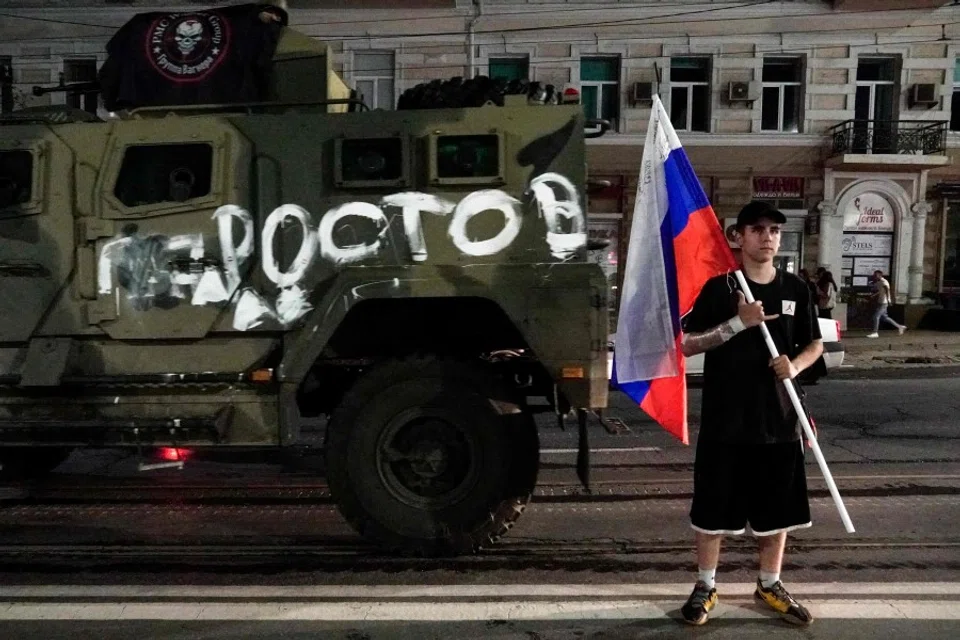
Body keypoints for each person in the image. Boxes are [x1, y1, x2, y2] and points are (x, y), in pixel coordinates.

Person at [678, 200, 823, 627]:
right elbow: (687, 343)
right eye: (757, 229)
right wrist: (737, 324)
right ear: (737, 236)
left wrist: (794, 365)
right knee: (712, 510)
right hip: (726, 420)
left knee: (778, 511)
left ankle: (770, 583)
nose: (767, 238)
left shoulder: (797, 289)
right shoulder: (720, 287)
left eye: (774, 230)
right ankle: (705, 585)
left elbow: (815, 343)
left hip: (779, 422)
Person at [866, 270, 906, 338]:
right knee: (885, 318)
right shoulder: (878, 282)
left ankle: (875, 332)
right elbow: (881, 291)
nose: (874, 276)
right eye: (874, 275)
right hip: (880, 302)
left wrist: (889, 300)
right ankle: (900, 327)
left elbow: (887, 290)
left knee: (876, 316)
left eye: (876, 275)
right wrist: (873, 296)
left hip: (884, 303)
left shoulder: (883, 282)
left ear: (880, 275)